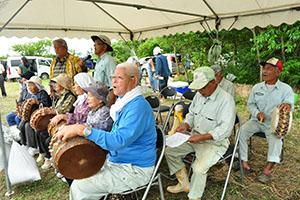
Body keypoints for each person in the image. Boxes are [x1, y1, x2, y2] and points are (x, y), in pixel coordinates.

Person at [56, 63, 157, 200]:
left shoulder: (137, 107)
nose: (113, 81)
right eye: (113, 77)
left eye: (119, 77)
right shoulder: (125, 103)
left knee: (80, 186)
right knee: (79, 170)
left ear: (133, 80)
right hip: (118, 161)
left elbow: (118, 141)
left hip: (135, 169)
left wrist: (82, 129)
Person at [165, 67, 235, 200]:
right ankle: (184, 183)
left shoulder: (226, 100)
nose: (199, 91)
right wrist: (185, 125)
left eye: (202, 88)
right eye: (198, 88)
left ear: (213, 83)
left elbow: (225, 129)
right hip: (194, 137)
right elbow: (191, 114)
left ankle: (195, 197)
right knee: (169, 151)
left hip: (214, 142)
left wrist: (203, 137)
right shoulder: (200, 95)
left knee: (198, 168)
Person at [239, 57, 294, 184]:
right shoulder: (257, 88)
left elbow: (290, 104)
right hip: (256, 121)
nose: (264, 71)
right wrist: (257, 113)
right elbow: (251, 104)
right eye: (264, 68)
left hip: (273, 124)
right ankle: (243, 162)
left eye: (269, 69)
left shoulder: (286, 89)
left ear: (277, 72)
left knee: (276, 139)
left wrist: (288, 105)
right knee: (240, 132)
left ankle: (267, 171)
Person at [39, 73, 77, 169]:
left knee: (47, 138)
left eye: (56, 83)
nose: (55, 85)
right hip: (57, 121)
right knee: (40, 132)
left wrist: (52, 111)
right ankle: (45, 155)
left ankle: (51, 158)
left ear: (62, 84)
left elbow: (65, 110)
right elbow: (56, 108)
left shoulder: (70, 97)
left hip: (66, 123)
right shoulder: (60, 96)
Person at [18, 76, 51, 156]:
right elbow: (21, 102)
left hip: (39, 116)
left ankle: (33, 147)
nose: (28, 87)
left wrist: (38, 103)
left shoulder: (42, 93)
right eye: (28, 85)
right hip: (28, 115)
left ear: (37, 86)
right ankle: (24, 143)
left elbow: (47, 105)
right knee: (21, 125)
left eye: (31, 85)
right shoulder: (28, 93)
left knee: (28, 126)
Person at [91, 35, 117, 107]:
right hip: (99, 99)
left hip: (106, 99)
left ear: (105, 47)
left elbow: (114, 84)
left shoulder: (109, 60)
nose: (94, 46)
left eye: (97, 44)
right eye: (94, 44)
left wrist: (111, 103)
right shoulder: (99, 61)